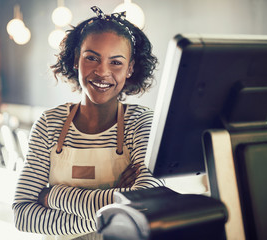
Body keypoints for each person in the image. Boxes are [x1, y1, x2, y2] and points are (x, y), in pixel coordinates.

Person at [13, 6, 164, 240]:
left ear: (130, 68)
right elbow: (23, 215)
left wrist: (54, 196)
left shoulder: (142, 123)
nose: (102, 71)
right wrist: (118, 208)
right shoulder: (49, 124)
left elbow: (144, 205)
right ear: (76, 60)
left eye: (116, 62)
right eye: (92, 58)